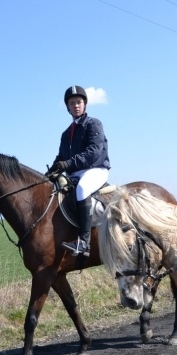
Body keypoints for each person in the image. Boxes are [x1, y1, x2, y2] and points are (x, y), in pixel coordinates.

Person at [44, 85, 111, 257]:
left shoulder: (93, 124)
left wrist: (67, 164)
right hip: (75, 173)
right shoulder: (66, 134)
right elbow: (61, 157)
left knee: (81, 190)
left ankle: (84, 242)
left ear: (85, 104)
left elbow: (93, 152)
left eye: (79, 102)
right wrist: (50, 173)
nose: (76, 105)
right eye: (72, 103)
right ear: (67, 107)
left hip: (95, 169)